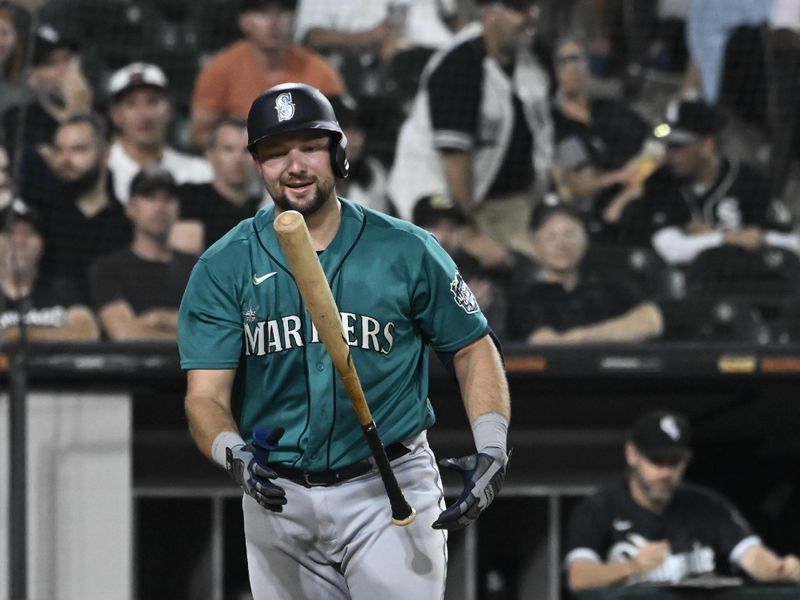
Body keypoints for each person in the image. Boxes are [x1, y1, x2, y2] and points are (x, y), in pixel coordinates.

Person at [178, 82, 511, 599]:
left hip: (389, 484)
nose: (294, 165)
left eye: (309, 147)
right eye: (274, 152)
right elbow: (205, 397)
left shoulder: (407, 249)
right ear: (257, 164)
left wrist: (492, 446)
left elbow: (471, 347)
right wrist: (233, 453)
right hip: (277, 495)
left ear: (338, 152)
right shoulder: (224, 265)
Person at [564, 409, 800, 591]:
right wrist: (632, 567)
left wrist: (779, 569)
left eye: (674, 462)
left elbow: (751, 555)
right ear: (632, 454)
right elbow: (579, 577)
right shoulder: (599, 508)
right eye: (656, 461)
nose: (665, 472)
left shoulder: (707, 506)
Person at [388, 0, 552, 257]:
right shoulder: (459, 65)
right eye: (518, 9)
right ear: (489, 13)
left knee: (540, 268)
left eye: (532, 8)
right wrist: (468, 232)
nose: (530, 17)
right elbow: (455, 159)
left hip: (501, 201)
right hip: (436, 198)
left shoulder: (534, 59)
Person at [618, 100, 798, 262]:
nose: (669, 154)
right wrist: (726, 238)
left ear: (706, 146)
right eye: (667, 146)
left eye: (678, 147)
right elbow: (669, 247)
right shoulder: (660, 182)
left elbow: (790, 241)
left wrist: (755, 238)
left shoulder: (748, 181)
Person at [189, 0, 346, 148]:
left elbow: (341, 131)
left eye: (282, 12)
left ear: (294, 18)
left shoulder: (321, 71)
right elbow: (200, 133)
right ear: (243, 21)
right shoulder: (220, 68)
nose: (273, 23)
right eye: (262, 13)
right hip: (243, 161)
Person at [508, 200, 663, 344]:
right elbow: (545, 343)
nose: (562, 244)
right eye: (551, 236)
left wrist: (579, 336)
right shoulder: (528, 298)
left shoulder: (610, 283)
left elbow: (651, 321)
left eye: (569, 234)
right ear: (535, 244)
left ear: (585, 239)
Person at [549, 34, 655, 239]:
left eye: (577, 59)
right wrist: (621, 176)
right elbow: (580, 186)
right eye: (563, 62)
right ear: (554, 71)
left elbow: (657, 137)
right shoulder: (556, 123)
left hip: (640, 191)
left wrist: (641, 170)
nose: (572, 68)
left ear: (587, 64)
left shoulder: (610, 108)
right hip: (592, 212)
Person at [19, 112, 132, 303]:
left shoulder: (127, 223)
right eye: (58, 150)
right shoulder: (39, 219)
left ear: (106, 152)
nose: (64, 160)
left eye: (78, 150)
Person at [90, 167, 195, 341]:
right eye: (150, 197)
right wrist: (186, 326)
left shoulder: (199, 267)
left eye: (168, 198)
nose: (160, 207)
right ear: (130, 208)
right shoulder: (108, 269)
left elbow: (219, 330)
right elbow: (124, 334)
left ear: (178, 208)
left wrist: (159, 318)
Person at [107, 61, 213, 204]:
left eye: (152, 102)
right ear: (116, 115)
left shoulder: (197, 172)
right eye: (131, 104)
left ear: (169, 109)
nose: (144, 115)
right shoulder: (102, 173)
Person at [0, 197, 99, 343]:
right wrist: (54, 333)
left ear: (41, 244)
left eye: (29, 233)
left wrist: (17, 334)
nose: (19, 241)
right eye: (10, 233)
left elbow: (87, 332)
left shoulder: (63, 290)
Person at [1, 22, 91, 162]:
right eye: (51, 63)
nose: (63, 70)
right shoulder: (20, 118)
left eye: (67, 59)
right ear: (32, 77)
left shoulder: (97, 112)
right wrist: (78, 112)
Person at [173, 117, 262, 254]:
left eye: (246, 151)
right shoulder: (191, 198)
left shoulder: (265, 207)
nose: (238, 159)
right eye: (228, 149)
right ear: (210, 155)